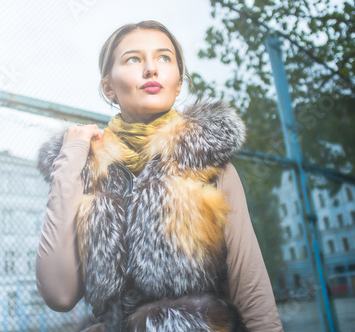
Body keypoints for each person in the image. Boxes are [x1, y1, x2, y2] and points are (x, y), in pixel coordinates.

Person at [35, 20, 283, 332]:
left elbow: (251, 286)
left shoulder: (209, 166)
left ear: (179, 82)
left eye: (164, 58)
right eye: (133, 59)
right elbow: (59, 295)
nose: (151, 69)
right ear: (108, 86)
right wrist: (70, 158)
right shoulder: (84, 170)